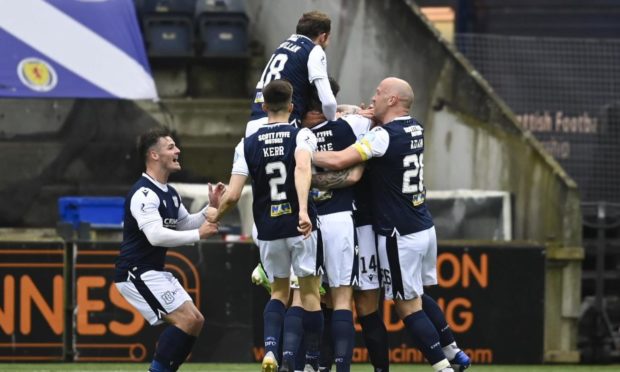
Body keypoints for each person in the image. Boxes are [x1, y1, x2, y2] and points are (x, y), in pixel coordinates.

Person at [312, 78, 470, 372]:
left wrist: (300, 154)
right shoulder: (416, 127)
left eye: (379, 93)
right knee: (417, 295)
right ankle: (453, 350)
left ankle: (443, 367)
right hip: (423, 225)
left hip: (397, 232)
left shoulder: (381, 137)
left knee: (405, 305)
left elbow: (339, 163)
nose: (373, 97)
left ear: (393, 100)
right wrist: (355, 114)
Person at [207, 80, 324, 372]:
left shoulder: (246, 144)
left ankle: (271, 351)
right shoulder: (302, 136)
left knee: (278, 292)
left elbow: (233, 194)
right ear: (292, 106)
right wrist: (303, 211)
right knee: (310, 293)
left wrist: (216, 216)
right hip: (299, 225)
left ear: (263, 107)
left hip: (269, 229)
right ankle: (306, 362)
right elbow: (301, 168)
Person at [114, 127, 221, 372]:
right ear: (154, 155)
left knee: (195, 321)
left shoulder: (170, 194)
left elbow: (185, 223)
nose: (178, 150)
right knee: (186, 320)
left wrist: (209, 207)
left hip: (152, 271)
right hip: (135, 273)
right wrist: (199, 234)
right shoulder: (143, 193)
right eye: (171, 147)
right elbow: (155, 236)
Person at [249, 10, 337, 129]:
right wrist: (334, 120)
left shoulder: (283, 45)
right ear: (323, 36)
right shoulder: (314, 50)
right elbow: (329, 103)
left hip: (254, 123)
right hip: (280, 126)